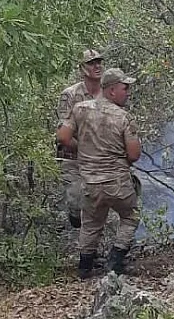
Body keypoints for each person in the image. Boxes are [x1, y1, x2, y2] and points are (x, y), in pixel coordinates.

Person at [56, 68, 142, 279]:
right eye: (125, 88)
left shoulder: (79, 110)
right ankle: (116, 259)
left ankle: (84, 267)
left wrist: (84, 149)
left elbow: (63, 137)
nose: (128, 92)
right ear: (111, 91)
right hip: (117, 182)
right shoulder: (124, 118)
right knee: (131, 217)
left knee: (91, 223)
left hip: (90, 182)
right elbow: (134, 154)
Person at [54, 49, 105, 228]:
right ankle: (75, 217)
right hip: (74, 158)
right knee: (77, 202)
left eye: (99, 61)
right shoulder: (70, 95)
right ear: (82, 68)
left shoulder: (109, 94)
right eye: (91, 63)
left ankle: (93, 249)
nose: (97, 66)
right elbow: (63, 135)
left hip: (101, 160)